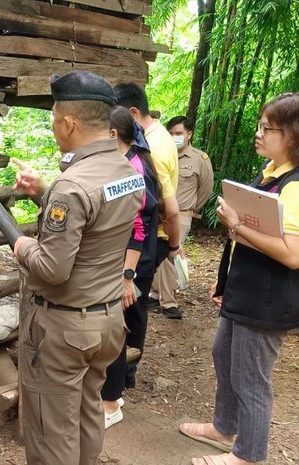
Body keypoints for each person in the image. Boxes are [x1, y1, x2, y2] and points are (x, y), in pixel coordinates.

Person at [180, 93, 299, 465]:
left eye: (267, 128)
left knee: (250, 376)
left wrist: (238, 225)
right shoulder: (274, 172)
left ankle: (248, 455)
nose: (258, 135)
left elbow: (295, 255)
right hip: (247, 289)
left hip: (269, 298)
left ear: (294, 134)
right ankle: (223, 426)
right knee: (223, 353)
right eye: (259, 127)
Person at [12, 70, 143, 465]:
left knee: (51, 431)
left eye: (54, 120)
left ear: (69, 123)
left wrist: (22, 246)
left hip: (64, 329)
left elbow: (52, 268)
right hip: (105, 324)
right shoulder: (127, 171)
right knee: (88, 412)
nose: (54, 128)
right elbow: (95, 229)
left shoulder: (70, 187)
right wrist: (44, 195)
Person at [101, 106, 162, 429]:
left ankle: (110, 404)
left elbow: (137, 227)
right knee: (118, 326)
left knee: (115, 327)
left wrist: (127, 277)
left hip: (132, 263)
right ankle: (115, 392)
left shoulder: (133, 171)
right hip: (130, 261)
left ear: (113, 135)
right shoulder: (127, 163)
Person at [114, 83, 183, 320]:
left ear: (133, 113)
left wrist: (174, 246)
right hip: (148, 238)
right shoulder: (158, 135)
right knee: (134, 305)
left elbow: (170, 209)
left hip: (146, 240)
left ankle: (129, 355)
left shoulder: (152, 149)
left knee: (131, 309)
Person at [150, 116, 214, 318]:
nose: (174, 137)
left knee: (171, 255)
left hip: (182, 215)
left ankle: (168, 302)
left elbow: (206, 188)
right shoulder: (160, 153)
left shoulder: (199, 159)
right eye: (171, 133)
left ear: (189, 134)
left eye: (178, 133)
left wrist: (190, 209)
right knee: (156, 253)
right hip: (159, 214)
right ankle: (154, 293)